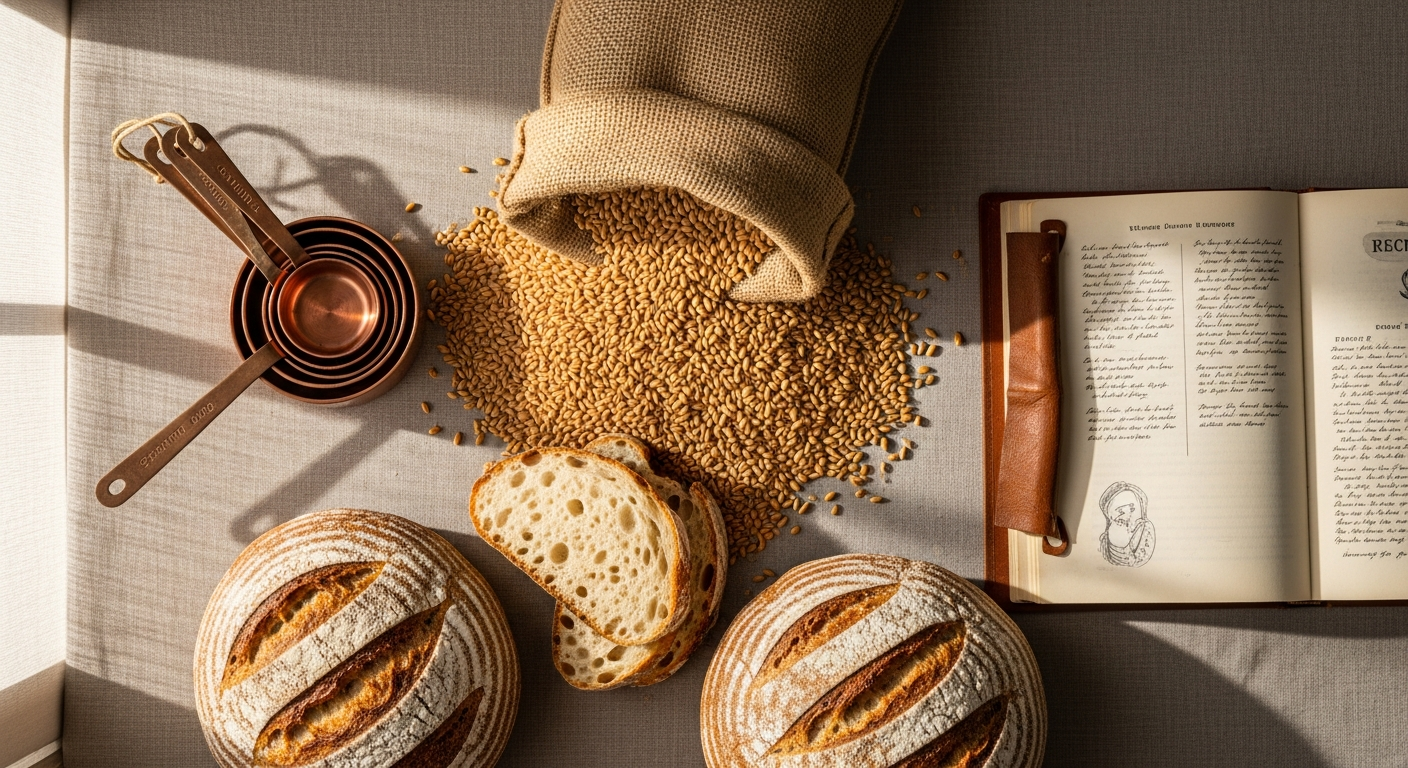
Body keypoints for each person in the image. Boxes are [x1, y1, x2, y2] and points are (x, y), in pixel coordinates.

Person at [1097, 481, 1155, 567]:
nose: (1126, 514)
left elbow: (1140, 559)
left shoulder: (1145, 529)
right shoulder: (1105, 540)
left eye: (1132, 508)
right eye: (1120, 511)